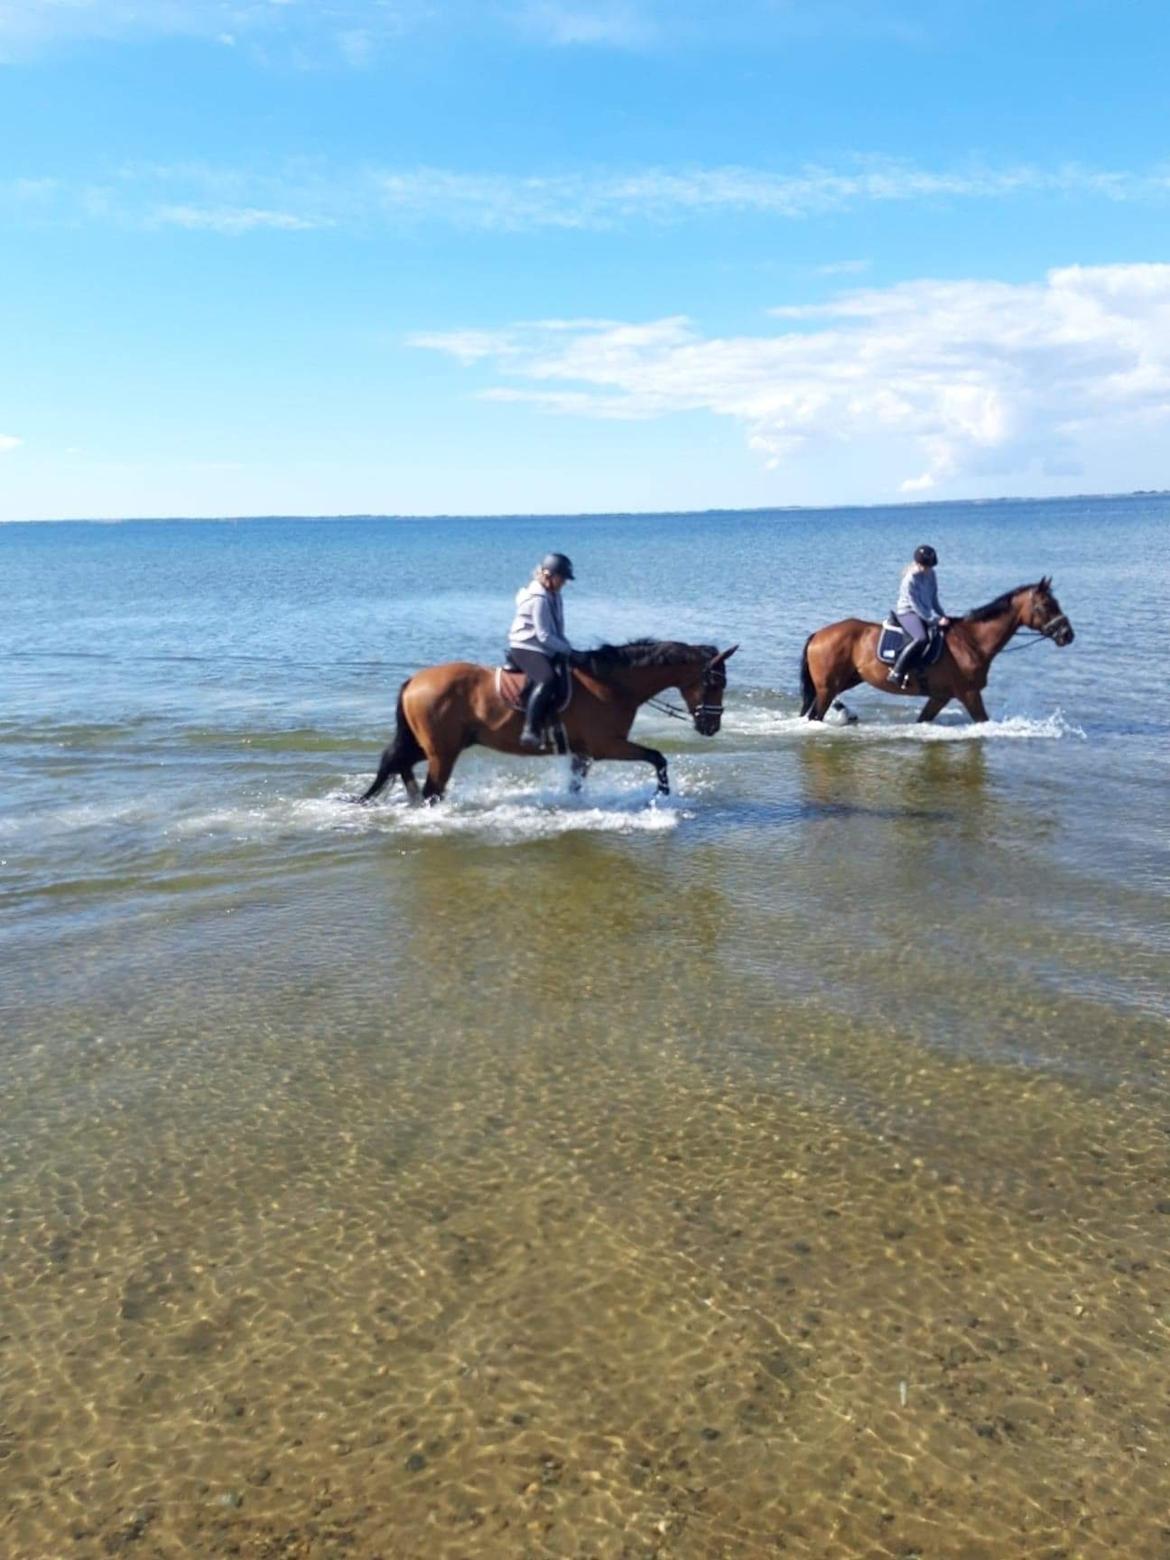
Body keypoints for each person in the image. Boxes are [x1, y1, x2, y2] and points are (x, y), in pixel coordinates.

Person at [507, 552, 575, 748]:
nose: (564, 583)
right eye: (562, 578)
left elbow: (557, 631)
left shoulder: (555, 595)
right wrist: (568, 650)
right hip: (526, 646)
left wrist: (569, 650)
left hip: (543, 646)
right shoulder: (539, 599)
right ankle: (530, 730)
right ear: (548, 575)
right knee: (547, 679)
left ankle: (557, 726)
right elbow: (543, 635)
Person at [889, 544, 950, 686]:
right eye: (924, 566)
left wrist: (943, 615)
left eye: (929, 566)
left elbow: (934, 599)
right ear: (917, 563)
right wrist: (933, 620)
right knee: (921, 639)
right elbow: (915, 605)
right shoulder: (910, 579)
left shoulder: (932, 575)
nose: (926, 569)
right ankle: (896, 672)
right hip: (908, 612)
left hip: (924, 612)